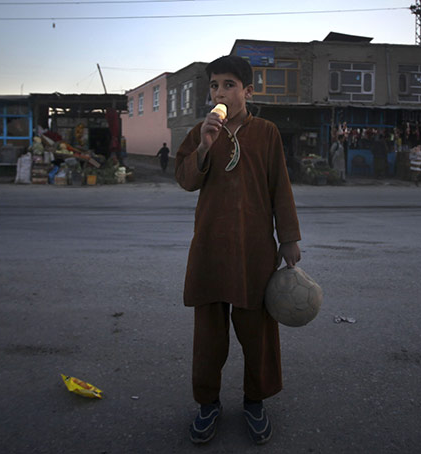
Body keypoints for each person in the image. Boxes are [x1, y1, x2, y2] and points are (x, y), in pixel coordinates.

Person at [175, 55, 301, 446]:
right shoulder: (203, 130)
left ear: (248, 91)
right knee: (209, 336)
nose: (220, 92)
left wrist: (289, 238)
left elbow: (280, 186)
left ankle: (254, 400)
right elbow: (185, 179)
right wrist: (203, 147)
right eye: (214, 85)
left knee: (257, 333)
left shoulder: (266, 132)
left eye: (229, 85)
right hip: (211, 248)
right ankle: (208, 403)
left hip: (254, 251)